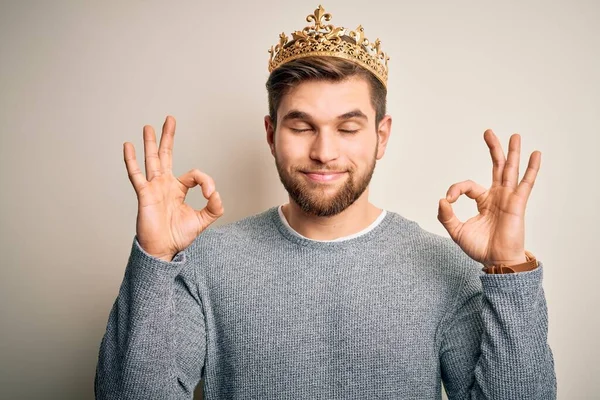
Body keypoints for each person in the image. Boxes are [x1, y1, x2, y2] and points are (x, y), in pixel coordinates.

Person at [95, 5, 556, 399]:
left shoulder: (444, 268)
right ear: (272, 135)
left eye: (348, 127)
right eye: (301, 126)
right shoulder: (206, 263)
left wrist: (509, 269)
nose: (324, 151)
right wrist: (154, 259)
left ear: (382, 136)